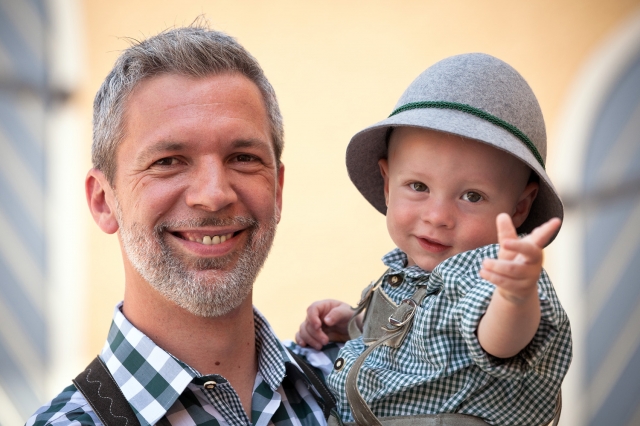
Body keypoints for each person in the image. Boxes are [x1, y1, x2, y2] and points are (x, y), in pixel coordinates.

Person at [27, 25, 332, 426]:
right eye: (168, 161)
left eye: (242, 157)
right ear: (104, 201)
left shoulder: (354, 388)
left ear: (277, 189)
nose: (214, 194)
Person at [293, 53, 572, 425]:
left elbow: (501, 342)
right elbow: (414, 338)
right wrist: (356, 325)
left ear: (519, 208)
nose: (438, 216)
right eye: (418, 186)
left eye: (471, 196)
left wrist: (516, 296)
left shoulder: (486, 273)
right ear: (388, 183)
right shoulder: (408, 277)